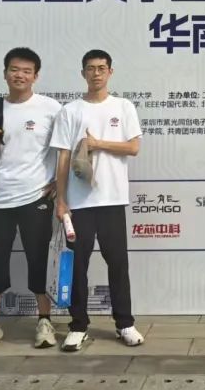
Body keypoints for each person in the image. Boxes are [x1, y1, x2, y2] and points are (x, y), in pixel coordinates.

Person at [0, 48, 63, 351]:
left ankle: (44, 322)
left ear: (36, 76)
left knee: (39, 259)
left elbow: (65, 150)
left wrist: (59, 183)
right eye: (14, 69)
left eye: (26, 71)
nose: (19, 75)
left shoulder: (50, 108)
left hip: (36, 197)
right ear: (5, 73)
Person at [51, 49, 145, 351]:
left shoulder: (123, 106)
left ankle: (124, 323)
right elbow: (63, 157)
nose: (96, 73)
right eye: (90, 68)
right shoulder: (70, 111)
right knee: (77, 265)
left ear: (110, 72)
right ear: (83, 73)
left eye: (101, 68)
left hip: (112, 200)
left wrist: (97, 143)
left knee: (117, 263)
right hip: (79, 203)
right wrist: (61, 200)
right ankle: (78, 325)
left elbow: (133, 148)